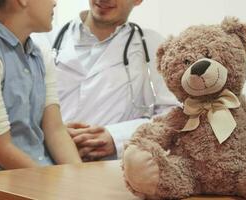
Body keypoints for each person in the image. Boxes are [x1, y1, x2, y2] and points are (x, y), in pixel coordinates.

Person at [0, 0, 82, 174]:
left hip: (38, 177)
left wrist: (81, 176)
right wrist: (54, 184)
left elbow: (55, 130)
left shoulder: (42, 55)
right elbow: (2, 149)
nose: (55, 3)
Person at [53, 0, 178, 161]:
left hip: (112, 168)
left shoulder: (153, 46)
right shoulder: (48, 39)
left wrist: (117, 138)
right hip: (48, 164)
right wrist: (54, 132)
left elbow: (172, 116)